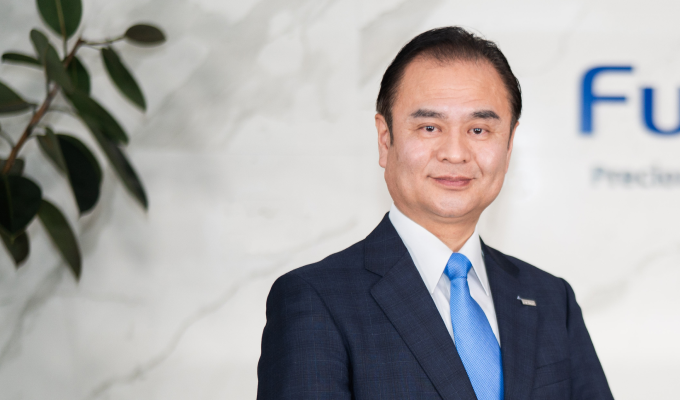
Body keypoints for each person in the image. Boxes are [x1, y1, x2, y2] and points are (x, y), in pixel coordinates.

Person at [256, 27, 614, 400]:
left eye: (479, 129)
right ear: (385, 140)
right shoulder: (315, 299)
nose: (455, 153)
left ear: (509, 146)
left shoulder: (551, 299)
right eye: (429, 127)